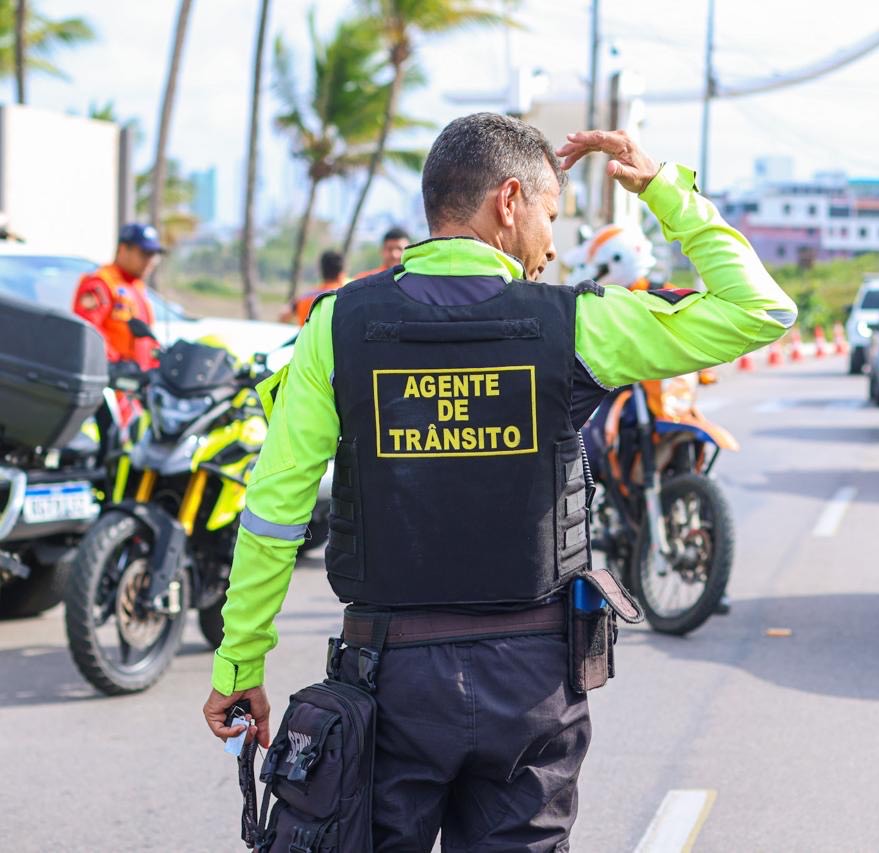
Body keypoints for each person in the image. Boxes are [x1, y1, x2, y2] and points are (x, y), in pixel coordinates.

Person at [201, 113, 796, 850]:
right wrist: (663, 188)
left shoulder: (337, 325)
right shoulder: (577, 324)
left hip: (387, 682)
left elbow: (274, 512)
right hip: (531, 686)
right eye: (551, 215)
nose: (552, 243)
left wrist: (240, 661)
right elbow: (761, 309)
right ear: (508, 201)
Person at [72, 222, 165, 370]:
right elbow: (88, 334)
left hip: (138, 383)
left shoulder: (136, 286)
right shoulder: (101, 283)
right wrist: (114, 364)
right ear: (123, 249)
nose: (150, 261)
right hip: (111, 382)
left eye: (154, 255)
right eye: (144, 253)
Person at [282, 249, 345, 325]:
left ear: (321, 271)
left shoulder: (304, 297)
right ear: (341, 273)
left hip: (306, 336)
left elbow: (283, 315)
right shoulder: (344, 297)